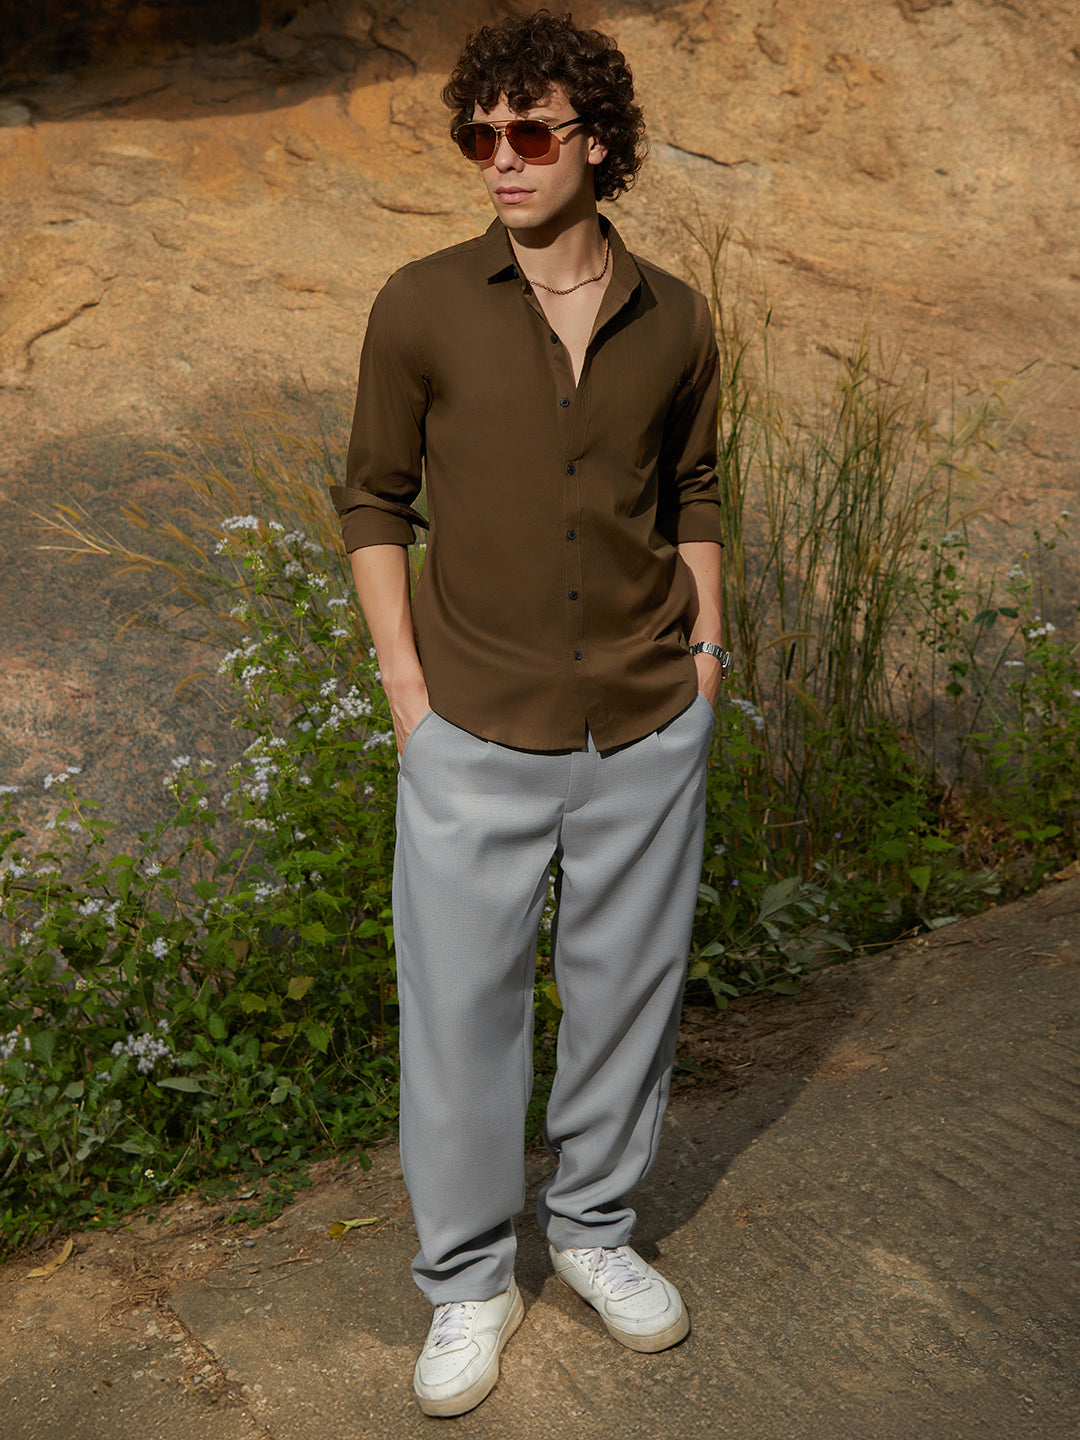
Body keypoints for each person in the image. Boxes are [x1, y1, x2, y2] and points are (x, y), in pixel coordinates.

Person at [332, 8, 728, 1418]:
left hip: (646, 717)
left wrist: (708, 650)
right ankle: (467, 1282)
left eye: (529, 131)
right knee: (460, 1019)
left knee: (627, 999)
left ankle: (597, 1231)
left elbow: (694, 489)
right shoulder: (421, 305)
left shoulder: (675, 316)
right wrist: (406, 691)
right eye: (480, 133)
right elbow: (374, 499)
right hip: (470, 725)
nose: (499, 156)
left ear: (596, 142)